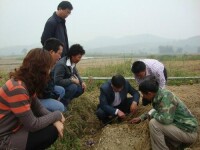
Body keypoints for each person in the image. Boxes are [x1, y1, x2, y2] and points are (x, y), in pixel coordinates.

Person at [0, 48, 65, 150]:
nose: (49, 72)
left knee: (51, 126)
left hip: (15, 128)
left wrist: (55, 120)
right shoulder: (18, 89)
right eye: (49, 68)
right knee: (51, 131)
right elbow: (32, 125)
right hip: (4, 138)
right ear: (41, 70)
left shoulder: (27, 83)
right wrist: (56, 115)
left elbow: (39, 108)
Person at [130, 80, 198, 150]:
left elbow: (166, 120)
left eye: (143, 94)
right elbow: (155, 110)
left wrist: (153, 114)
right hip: (181, 128)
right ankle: (176, 145)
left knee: (154, 124)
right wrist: (141, 118)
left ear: (149, 93)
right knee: (154, 119)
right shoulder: (159, 95)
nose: (143, 97)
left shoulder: (166, 98)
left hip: (188, 133)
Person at [39, 38, 66, 112]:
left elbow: (50, 84)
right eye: (59, 53)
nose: (60, 57)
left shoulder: (49, 64)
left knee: (61, 90)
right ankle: (46, 115)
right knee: (61, 107)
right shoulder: (41, 66)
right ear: (51, 52)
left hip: (43, 93)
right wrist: (53, 95)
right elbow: (42, 91)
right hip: (35, 99)